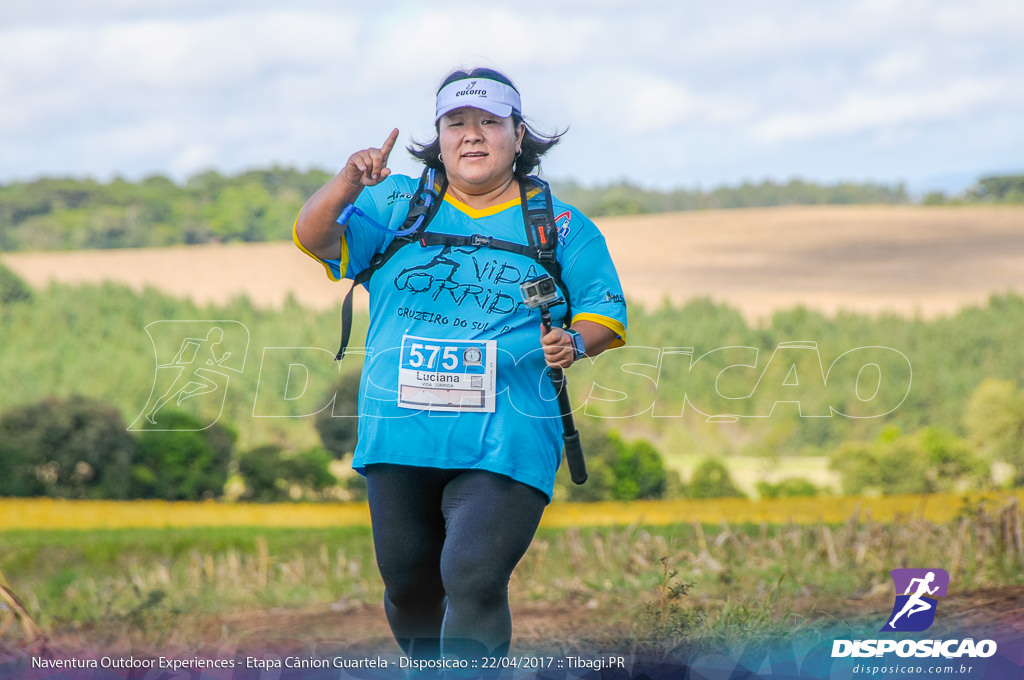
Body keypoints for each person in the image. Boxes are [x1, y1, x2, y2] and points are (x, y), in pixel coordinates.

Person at [294, 67, 627, 662]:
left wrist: (575, 343)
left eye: (489, 123)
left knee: (472, 576)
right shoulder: (395, 203)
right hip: (400, 434)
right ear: (440, 136)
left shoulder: (562, 225)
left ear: (518, 136)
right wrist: (346, 183)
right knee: (408, 587)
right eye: (457, 123)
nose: (472, 135)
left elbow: (606, 309)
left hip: (509, 433)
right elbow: (314, 237)